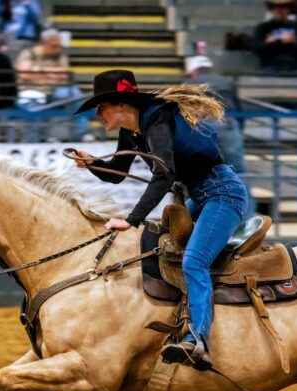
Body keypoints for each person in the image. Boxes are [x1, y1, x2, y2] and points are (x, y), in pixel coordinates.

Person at [73, 69, 249, 369]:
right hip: (203, 195)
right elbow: (118, 172)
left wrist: (132, 219)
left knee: (194, 261)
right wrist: (93, 164)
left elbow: (164, 173)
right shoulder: (132, 130)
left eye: (101, 107)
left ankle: (197, 340)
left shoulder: (156, 120)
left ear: (120, 104)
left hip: (222, 194)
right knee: (163, 245)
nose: (98, 114)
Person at [183, 55, 254, 215]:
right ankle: (247, 218)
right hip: (227, 126)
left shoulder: (187, 84)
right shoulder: (226, 81)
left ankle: (199, 218)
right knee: (239, 172)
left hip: (200, 128)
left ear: (191, 71)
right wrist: (236, 129)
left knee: (199, 175)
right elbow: (238, 109)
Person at [15, 28, 89, 141]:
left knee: (74, 93)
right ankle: (33, 142)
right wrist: (53, 73)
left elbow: (64, 76)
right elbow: (25, 75)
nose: (58, 49)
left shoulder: (60, 56)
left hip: (55, 91)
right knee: (33, 108)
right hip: (33, 92)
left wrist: (39, 71)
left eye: (59, 46)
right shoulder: (29, 53)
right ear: (44, 43)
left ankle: (82, 133)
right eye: (54, 46)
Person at [252, 0, 297, 75]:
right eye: (276, 7)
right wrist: (283, 41)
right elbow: (257, 48)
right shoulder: (263, 27)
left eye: (284, 7)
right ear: (271, 9)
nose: (279, 9)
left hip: (294, 66)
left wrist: (272, 42)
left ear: (289, 9)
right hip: (270, 66)